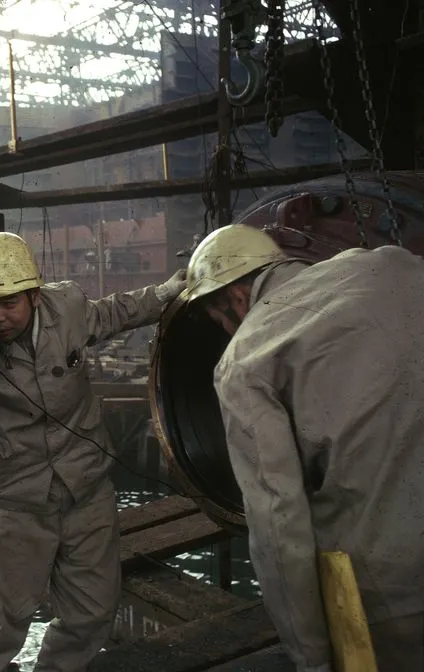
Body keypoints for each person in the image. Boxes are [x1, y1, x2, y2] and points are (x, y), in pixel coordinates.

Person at [181, 224, 424, 672]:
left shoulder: (245, 360)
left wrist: (311, 658)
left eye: (217, 319)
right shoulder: (392, 263)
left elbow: (280, 526)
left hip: (394, 598)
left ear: (235, 298)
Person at [0, 231, 186, 672]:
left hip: (86, 489)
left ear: (35, 295)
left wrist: (166, 293)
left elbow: (116, 312)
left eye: (7, 303)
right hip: (18, 500)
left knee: (91, 613)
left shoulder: (70, 307)